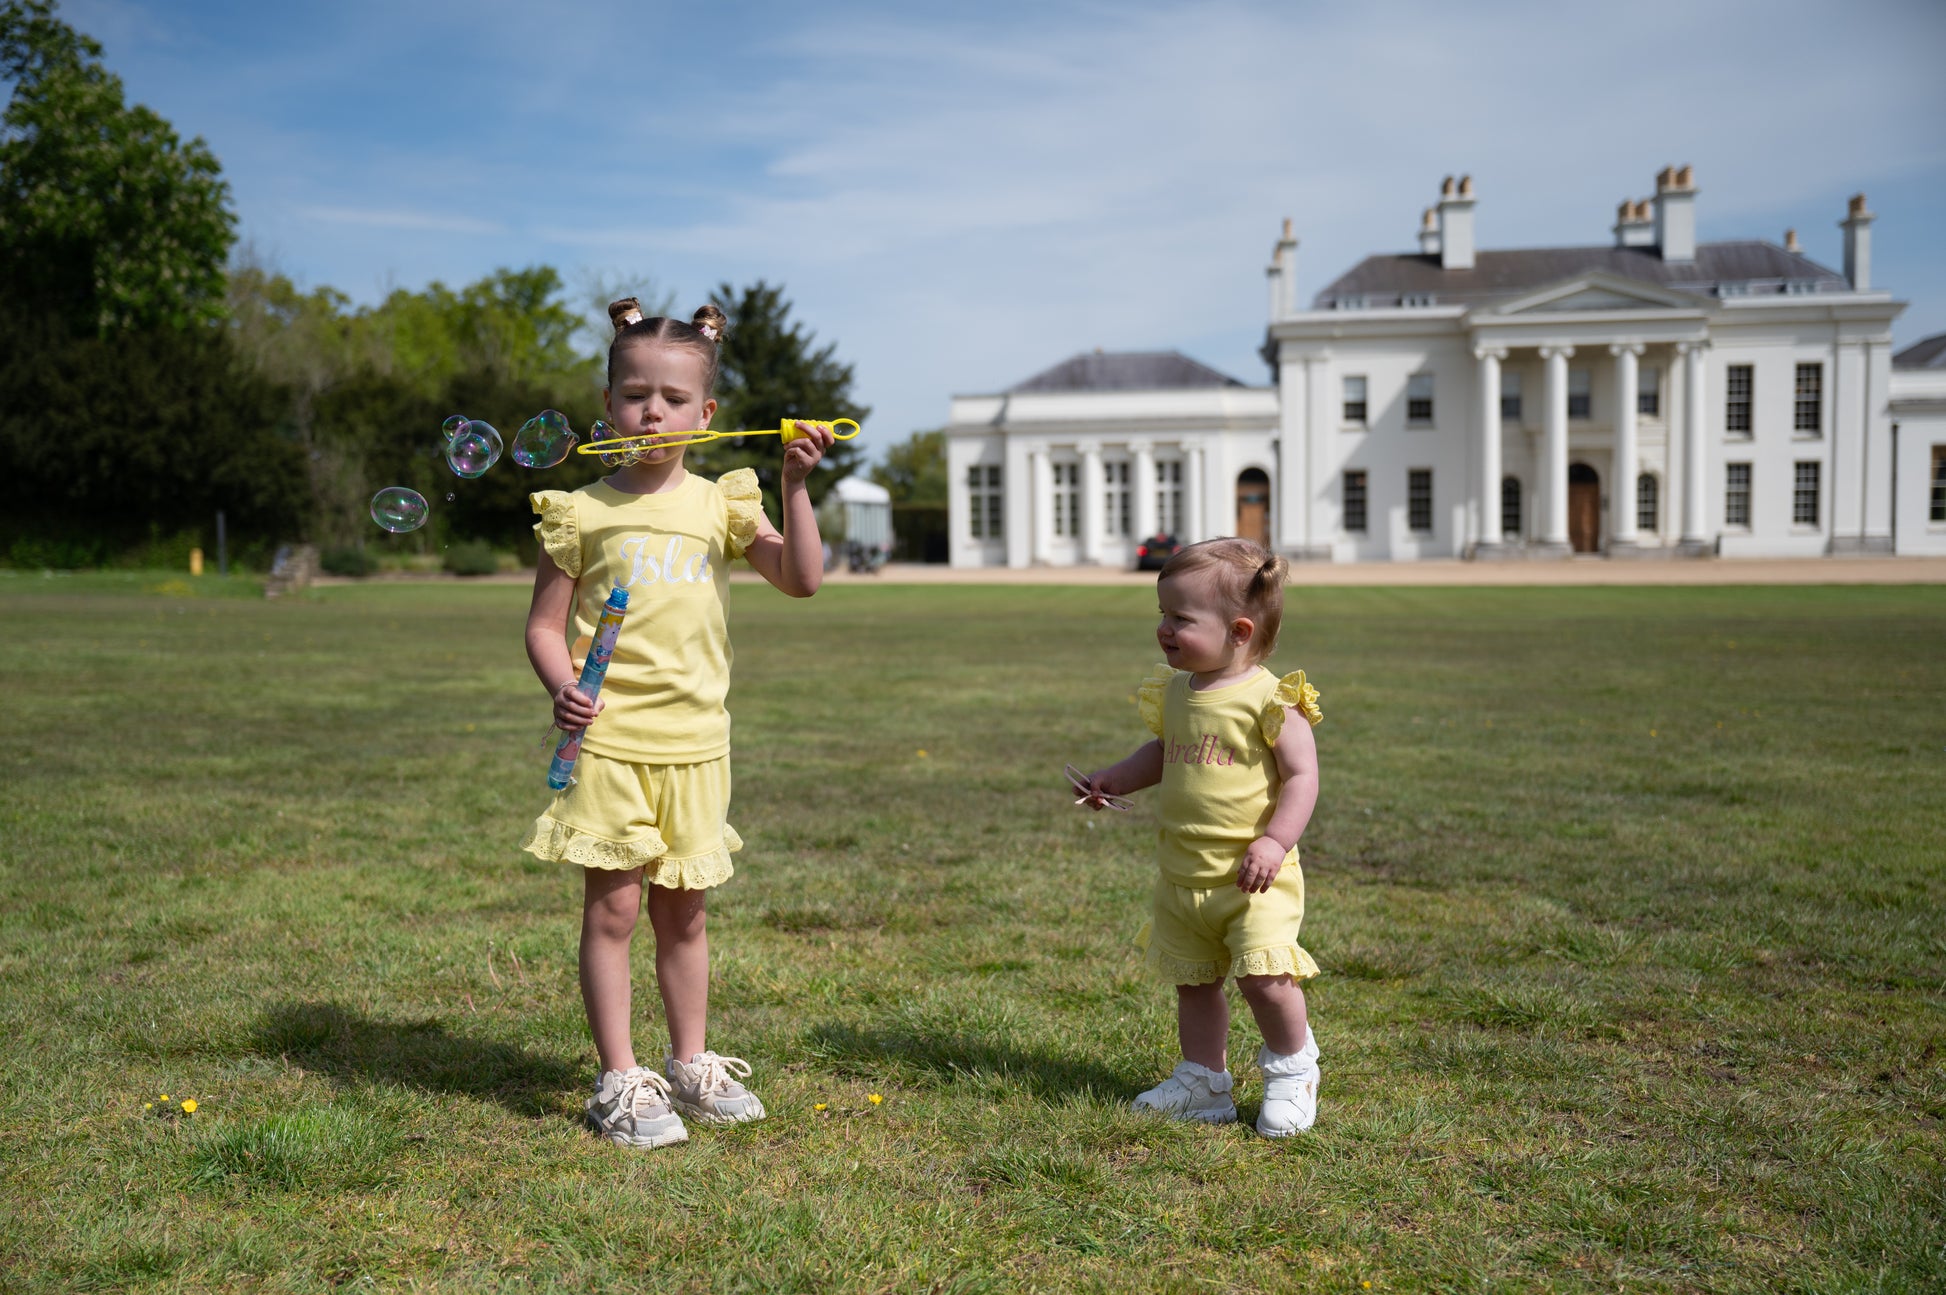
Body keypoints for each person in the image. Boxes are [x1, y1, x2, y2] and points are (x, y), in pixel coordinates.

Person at [523, 298, 836, 1149]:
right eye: (633, 394)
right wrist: (562, 684)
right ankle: (621, 1075)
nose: (650, 411)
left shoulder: (722, 501)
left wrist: (795, 486)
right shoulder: (580, 511)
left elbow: (801, 579)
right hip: (613, 743)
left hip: (697, 745)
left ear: (706, 415)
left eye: (670, 397)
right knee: (614, 912)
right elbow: (545, 627)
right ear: (607, 406)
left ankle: (691, 1061)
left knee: (685, 913)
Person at [1073, 538, 1325, 1137]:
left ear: (1239, 631)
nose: (1164, 629)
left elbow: (1302, 776)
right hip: (1185, 874)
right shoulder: (1178, 691)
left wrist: (1275, 842)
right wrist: (1116, 778)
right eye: (1161, 614)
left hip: (1254, 878)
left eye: (1180, 618)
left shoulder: (1270, 699)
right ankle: (1203, 1080)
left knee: (1265, 978)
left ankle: (1293, 1069)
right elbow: (1164, 753)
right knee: (1195, 981)